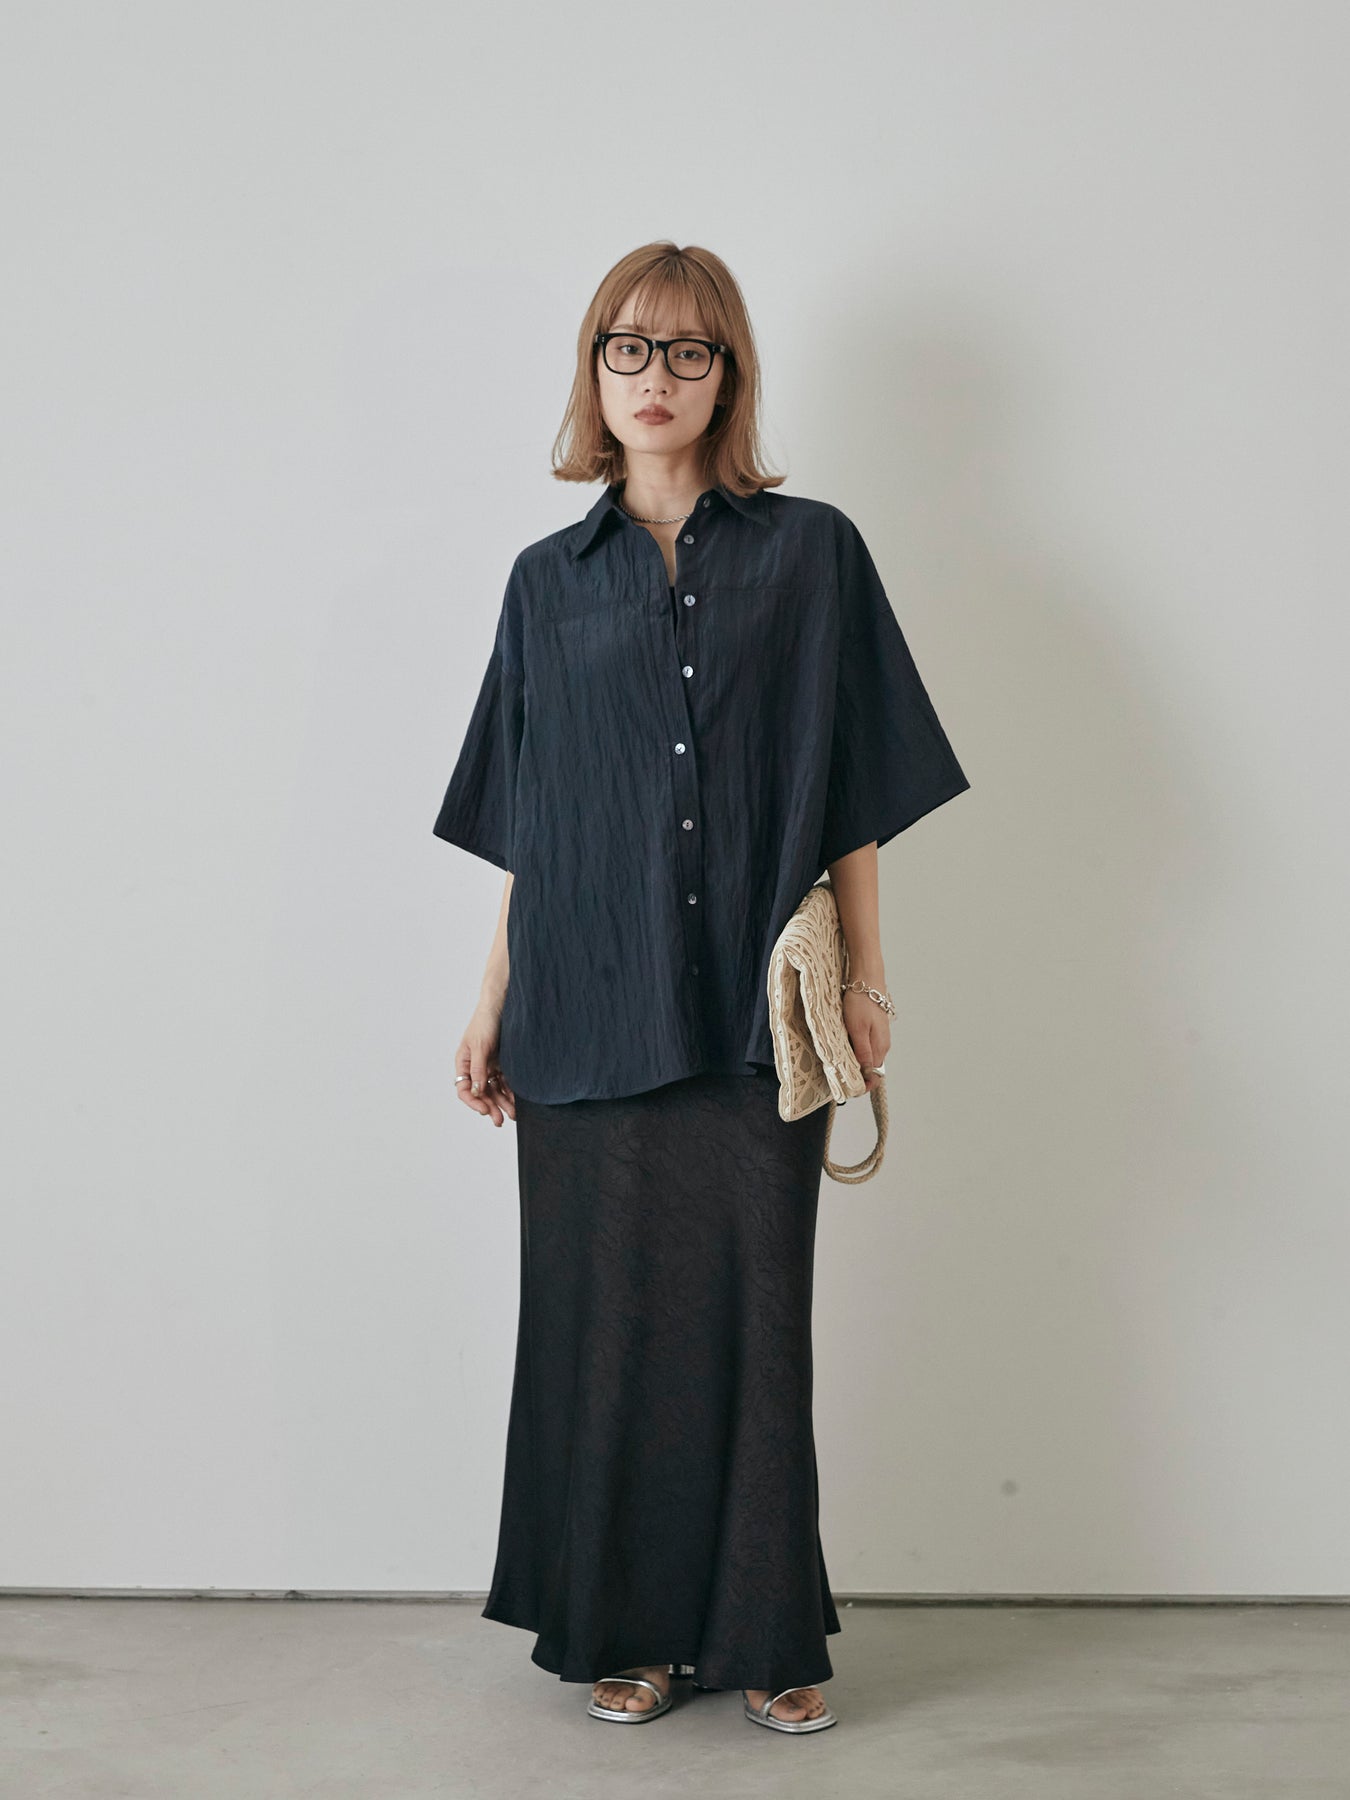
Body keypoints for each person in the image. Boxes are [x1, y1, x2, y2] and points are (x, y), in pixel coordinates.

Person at [431, 241, 971, 1734]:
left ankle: (767, 1633)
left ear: (727, 375)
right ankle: (632, 1630)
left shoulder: (812, 554)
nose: (655, 377)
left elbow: (849, 782)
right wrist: (489, 1001)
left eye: (688, 350)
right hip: (584, 1006)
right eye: (628, 346)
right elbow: (533, 820)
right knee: (602, 1328)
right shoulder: (546, 584)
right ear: (593, 371)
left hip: (752, 1009)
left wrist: (867, 978)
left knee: (753, 1320)